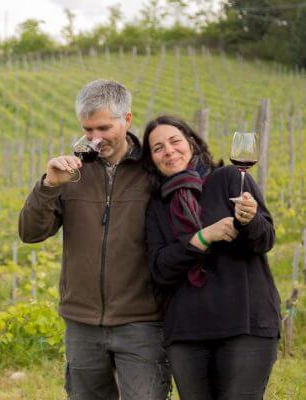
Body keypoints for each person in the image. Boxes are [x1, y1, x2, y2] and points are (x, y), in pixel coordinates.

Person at [18, 80, 170, 400]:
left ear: (126, 120)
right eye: (87, 130)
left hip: (142, 321)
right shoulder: (70, 173)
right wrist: (49, 185)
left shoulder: (153, 170)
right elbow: (30, 233)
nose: (95, 138)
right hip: (82, 322)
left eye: (103, 127)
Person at [142, 115, 281, 400]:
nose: (168, 151)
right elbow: (160, 268)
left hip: (246, 324)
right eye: (157, 148)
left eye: (174, 141)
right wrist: (204, 237)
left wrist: (249, 220)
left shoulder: (229, 178)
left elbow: (264, 238)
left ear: (191, 143)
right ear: (152, 159)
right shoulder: (157, 205)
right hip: (186, 332)